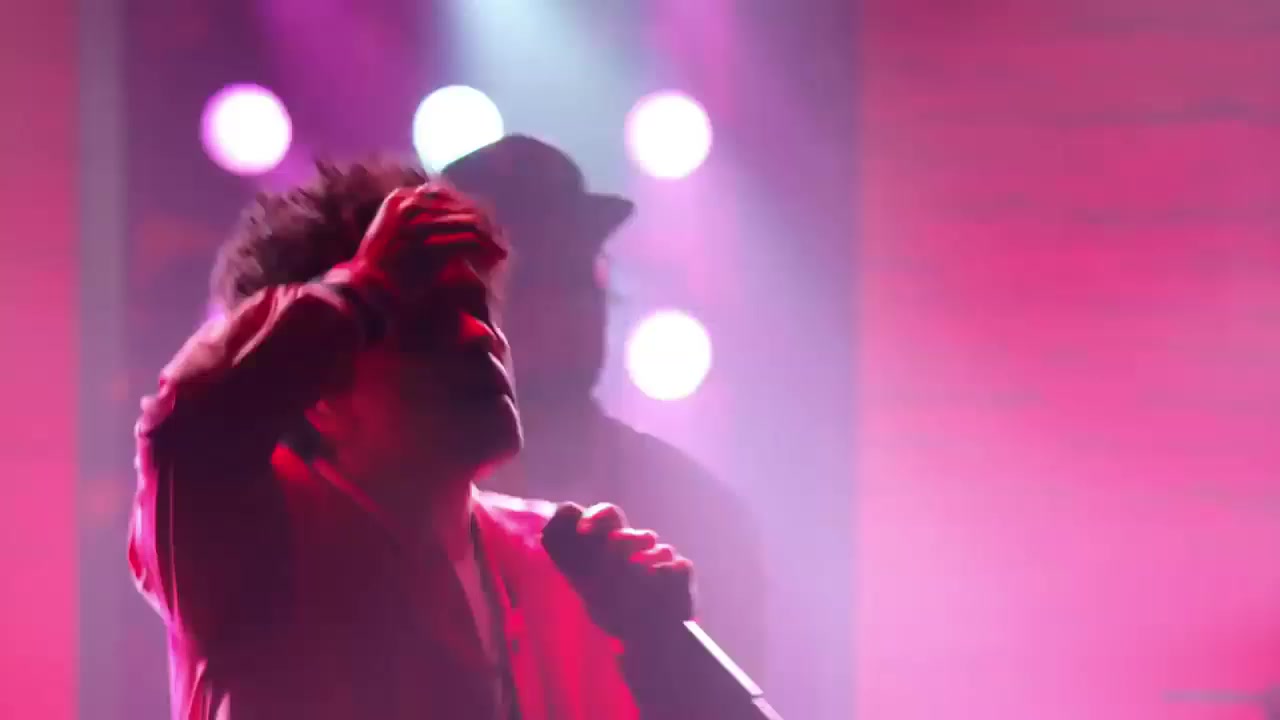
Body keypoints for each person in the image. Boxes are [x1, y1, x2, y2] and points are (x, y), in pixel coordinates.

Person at [126, 160, 702, 719]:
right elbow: (190, 427)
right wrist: (366, 284)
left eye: (479, 308)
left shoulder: (563, 562)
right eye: (425, 322)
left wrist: (661, 660)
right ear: (317, 388)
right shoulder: (250, 546)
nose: (478, 335)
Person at [442, 136, 767, 680]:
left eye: (579, 275)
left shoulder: (703, 517)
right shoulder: (401, 524)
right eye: (529, 281)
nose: (566, 307)